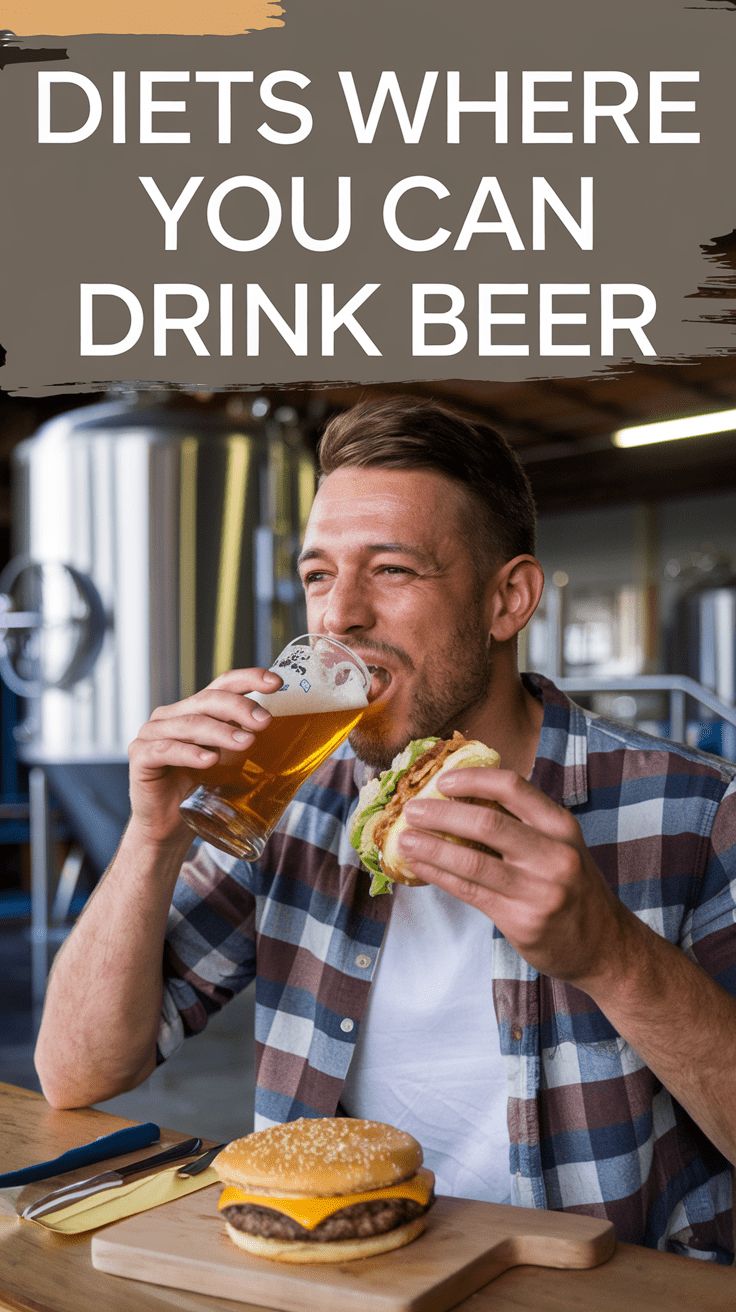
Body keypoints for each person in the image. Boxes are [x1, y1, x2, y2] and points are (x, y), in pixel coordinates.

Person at [35, 397, 736, 1262]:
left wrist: (611, 955)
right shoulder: (295, 796)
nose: (338, 617)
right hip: (339, 1274)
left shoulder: (694, 809)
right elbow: (78, 1072)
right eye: (319, 575)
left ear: (508, 599)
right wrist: (151, 838)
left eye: (393, 571)